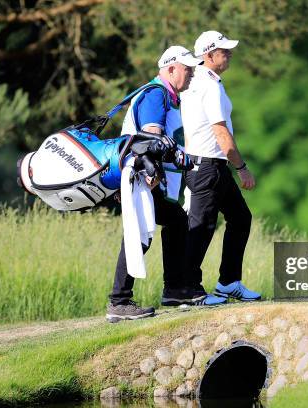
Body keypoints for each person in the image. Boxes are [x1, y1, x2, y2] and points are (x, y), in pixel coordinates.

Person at [106, 45, 205, 322]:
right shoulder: (155, 94)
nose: (192, 74)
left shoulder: (167, 96)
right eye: (188, 69)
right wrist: (158, 173)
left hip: (144, 177)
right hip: (141, 178)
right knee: (141, 234)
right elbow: (151, 139)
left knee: (174, 220)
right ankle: (119, 301)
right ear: (171, 68)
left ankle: (174, 289)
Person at [180, 31, 262, 302]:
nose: (229, 54)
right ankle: (188, 289)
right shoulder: (209, 85)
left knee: (240, 218)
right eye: (224, 50)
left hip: (210, 165)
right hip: (208, 166)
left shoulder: (199, 81)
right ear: (208, 54)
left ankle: (228, 282)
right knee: (201, 226)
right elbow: (221, 132)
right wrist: (242, 168)